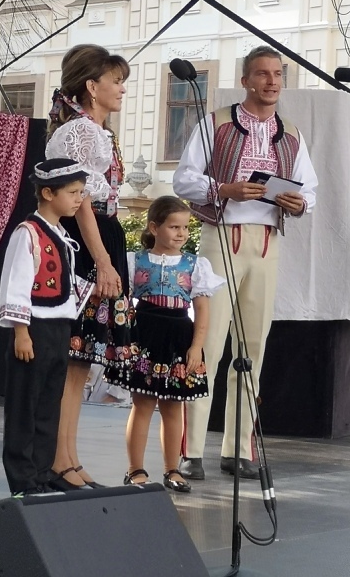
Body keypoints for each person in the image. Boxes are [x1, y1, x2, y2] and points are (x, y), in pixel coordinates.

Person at [173, 45, 318, 481]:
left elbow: (310, 190)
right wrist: (225, 189)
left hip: (268, 241)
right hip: (222, 237)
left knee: (252, 348)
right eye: (262, 73)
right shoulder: (218, 122)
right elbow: (183, 179)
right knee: (208, 343)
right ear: (246, 80)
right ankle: (190, 450)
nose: (272, 81)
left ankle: (238, 448)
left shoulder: (290, 134)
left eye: (278, 74)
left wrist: (298, 202)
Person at [45, 44, 131, 490]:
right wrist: (101, 260)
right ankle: (59, 460)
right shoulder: (80, 131)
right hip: (86, 241)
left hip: (102, 234)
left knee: (80, 360)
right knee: (72, 356)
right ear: (92, 86)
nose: (122, 89)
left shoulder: (98, 132)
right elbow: (79, 202)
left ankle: (69, 457)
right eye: (116, 81)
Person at [119, 197, 224, 493]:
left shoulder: (195, 265)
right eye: (174, 227)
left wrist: (196, 346)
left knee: (174, 406)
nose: (181, 233)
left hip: (179, 336)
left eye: (185, 227)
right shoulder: (135, 261)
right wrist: (124, 339)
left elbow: (202, 310)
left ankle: (172, 469)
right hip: (145, 334)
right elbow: (124, 303)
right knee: (142, 403)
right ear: (154, 228)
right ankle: (135, 469)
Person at [0, 158, 87, 495]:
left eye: (81, 192)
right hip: (33, 330)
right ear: (48, 193)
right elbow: (16, 283)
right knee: (25, 406)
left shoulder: (61, 235)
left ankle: (42, 471)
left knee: (49, 405)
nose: (79, 199)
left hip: (58, 329)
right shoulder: (28, 233)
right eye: (73, 192)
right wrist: (21, 332)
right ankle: (23, 479)